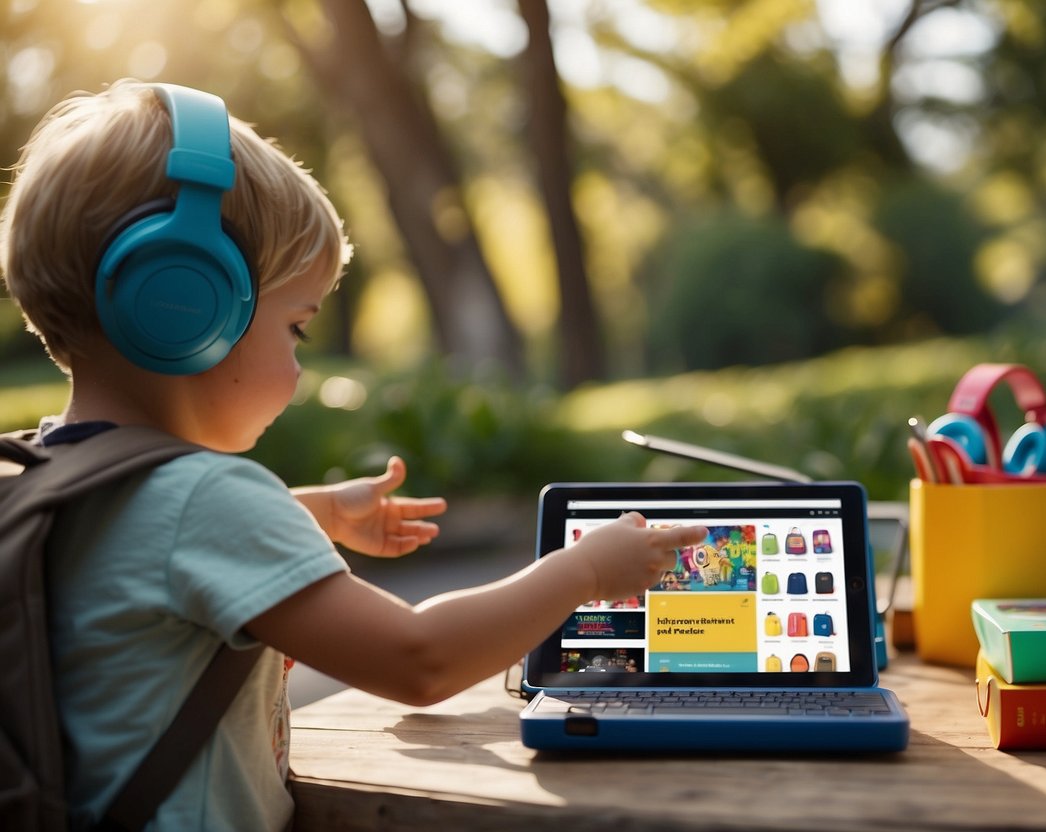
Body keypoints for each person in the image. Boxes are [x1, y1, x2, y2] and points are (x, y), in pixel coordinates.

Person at [0, 80, 707, 831]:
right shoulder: (208, 501)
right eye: (296, 326)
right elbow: (420, 660)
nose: (303, 365)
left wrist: (312, 513)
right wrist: (586, 570)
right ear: (184, 307)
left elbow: (143, 547)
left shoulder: (37, 478)